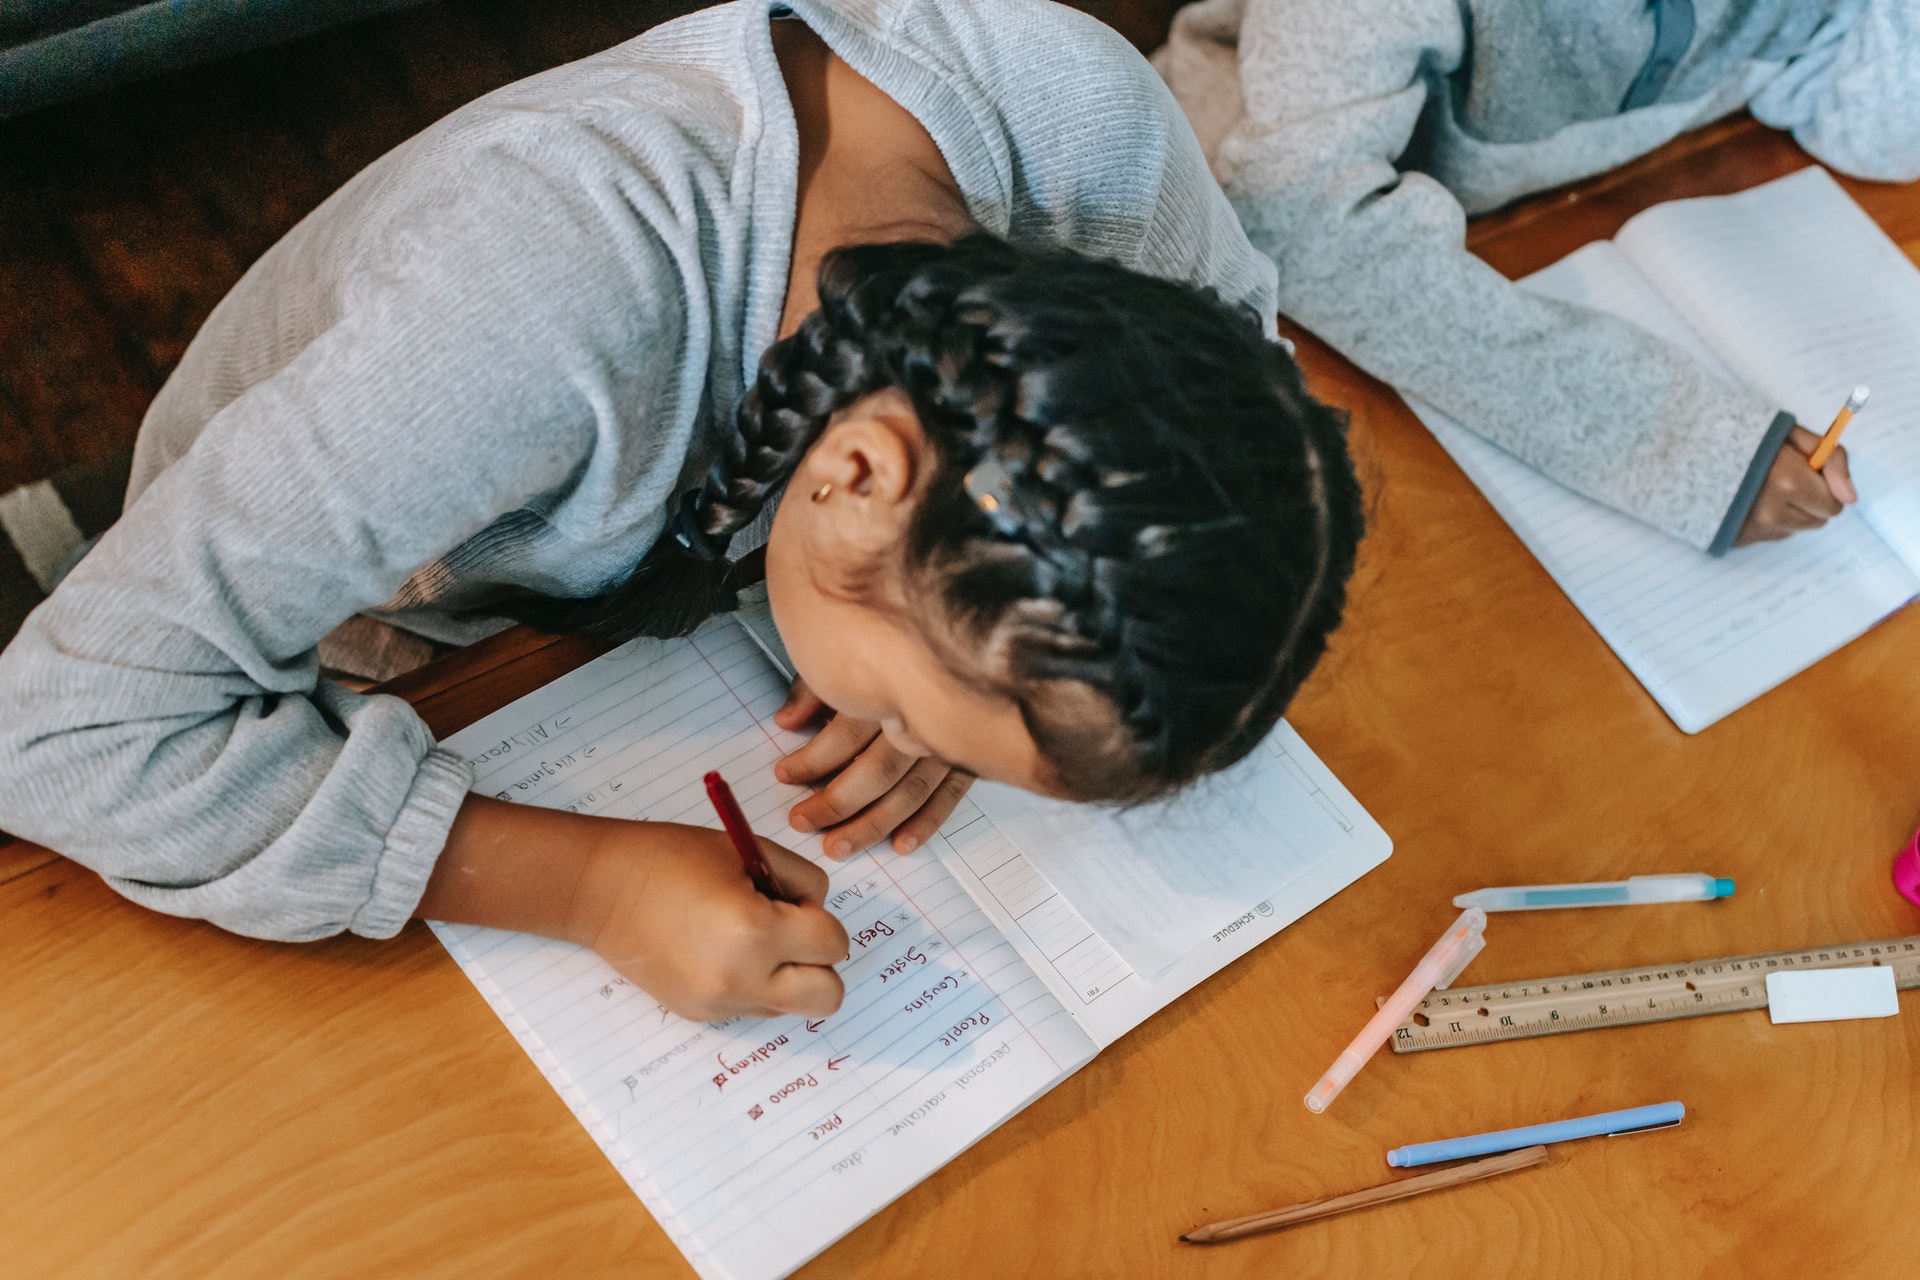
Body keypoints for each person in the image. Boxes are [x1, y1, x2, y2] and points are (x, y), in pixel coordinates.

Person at [0, 1, 1362, 1022]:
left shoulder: (1093, 120)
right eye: (908, 719)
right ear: (855, 481)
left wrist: (996, 670)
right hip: (387, 605)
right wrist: (579, 886)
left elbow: (1239, 345)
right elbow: (57, 730)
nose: (898, 749)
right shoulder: (527, 316)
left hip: (624, 578)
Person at [1156, 0, 1920, 554]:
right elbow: (1299, 220)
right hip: (1224, 249)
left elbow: (1869, 113)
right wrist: (1677, 443)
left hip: (1541, 224)